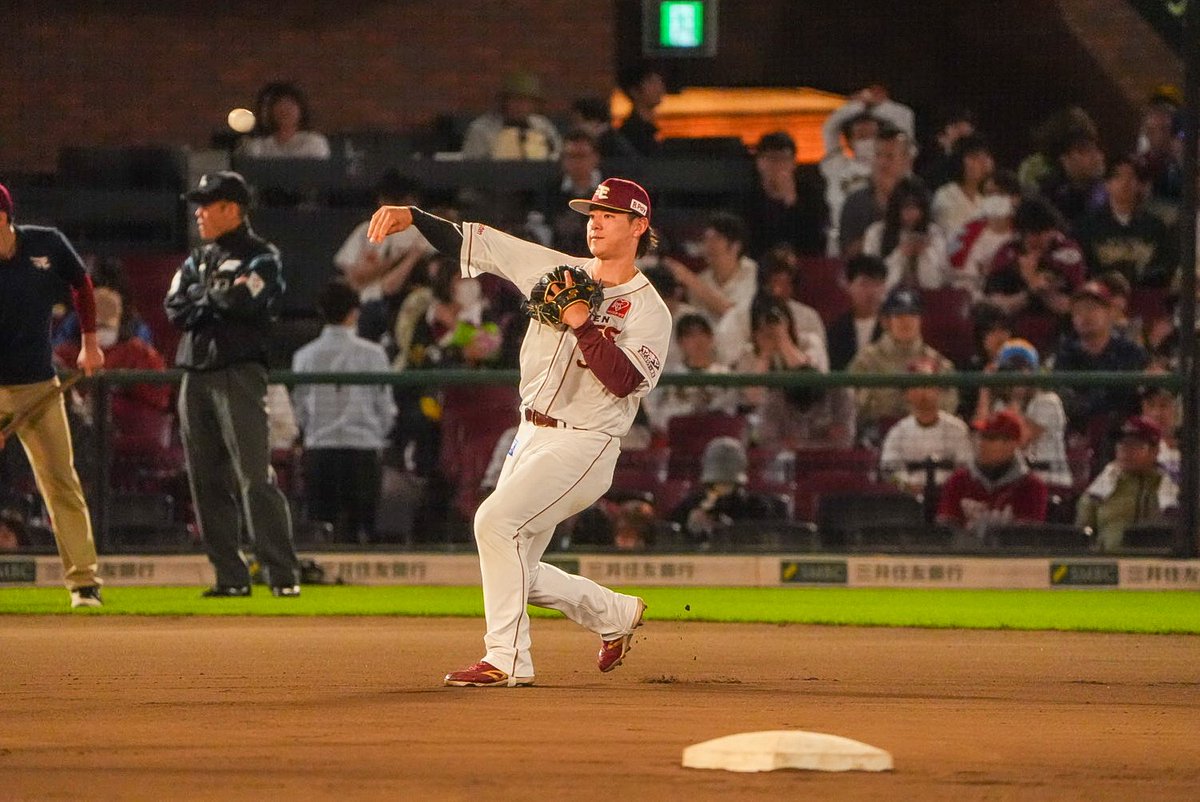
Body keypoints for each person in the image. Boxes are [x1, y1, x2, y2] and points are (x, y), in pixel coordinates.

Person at [367, 176, 670, 687]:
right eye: (591, 213)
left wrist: (581, 321)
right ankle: (612, 613)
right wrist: (416, 217)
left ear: (639, 226)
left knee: (493, 524)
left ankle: (506, 658)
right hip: (528, 433)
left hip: (586, 442)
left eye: (609, 215)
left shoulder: (649, 310)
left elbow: (623, 382)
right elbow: (474, 242)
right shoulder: (555, 269)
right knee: (515, 566)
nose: (594, 221)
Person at [165, 171, 301, 598]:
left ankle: (281, 575)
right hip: (195, 373)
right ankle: (230, 576)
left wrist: (205, 301)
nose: (199, 212)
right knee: (205, 480)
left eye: (207, 204)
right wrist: (216, 300)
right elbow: (174, 308)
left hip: (239, 371)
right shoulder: (198, 258)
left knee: (253, 475)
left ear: (232, 208)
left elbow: (245, 301)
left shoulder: (263, 256)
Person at [0, 181, 105, 608]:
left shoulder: (46, 243)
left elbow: (81, 285)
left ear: (4, 218)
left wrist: (90, 342)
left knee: (61, 481)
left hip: (38, 386)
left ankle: (84, 584)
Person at [292, 281, 397, 544]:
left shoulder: (304, 356)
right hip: (362, 450)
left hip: (320, 449)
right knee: (361, 532)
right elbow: (385, 407)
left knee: (321, 531)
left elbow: (300, 407)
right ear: (354, 313)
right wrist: (377, 435)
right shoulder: (374, 355)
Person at [847, 287, 958, 441]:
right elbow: (852, 403)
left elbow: (949, 405)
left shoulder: (938, 362)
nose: (906, 321)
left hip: (927, 435)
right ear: (886, 321)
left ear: (920, 320)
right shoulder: (867, 359)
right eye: (899, 315)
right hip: (877, 434)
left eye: (912, 315)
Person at [334, 170, 433, 341]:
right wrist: (395, 259)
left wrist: (410, 256)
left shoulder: (422, 232)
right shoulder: (366, 230)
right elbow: (354, 278)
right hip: (366, 304)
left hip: (410, 303)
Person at [972, 338, 1071, 488]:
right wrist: (985, 389)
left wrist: (1015, 397)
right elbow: (981, 441)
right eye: (1010, 369)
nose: (1017, 374)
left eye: (1022, 368)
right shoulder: (999, 405)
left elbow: (1019, 440)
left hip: (1051, 481)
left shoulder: (1048, 402)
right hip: (1013, 482)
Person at [936, 410, 1049, 537]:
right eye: (980, 436)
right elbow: (946, 532)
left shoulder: (1031, 487)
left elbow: (1026, 539)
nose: (981, 443)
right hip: (964, 554)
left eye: (990, 438)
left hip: (1009, 556)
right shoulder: (958, 480)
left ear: (1013, 443)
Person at [1076, 416, 1178, 552]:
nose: (1125, 450)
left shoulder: (1172, 486)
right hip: (1109, 565)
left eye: (1134, 445)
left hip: (1157, 565)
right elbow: (1080, 533)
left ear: (1155, 451)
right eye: (1121, 444)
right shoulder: (1102, 485)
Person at [1074, 155, 1176, 289]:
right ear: (1106, 184)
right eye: (1118, 177)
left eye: (1131, 177)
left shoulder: (1155, 227)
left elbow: (1164, 267)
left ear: (1139, 185)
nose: (1125, 182)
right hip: (1102, 297)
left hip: (1145, 297)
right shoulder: (1087, 227)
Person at [879, 356, 973, 496]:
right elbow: (889, 470)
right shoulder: (898, 431)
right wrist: (908, 486)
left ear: (938, 390)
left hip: (948, 496)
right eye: (916, 385)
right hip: (907, 500)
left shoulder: (957, 428)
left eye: (928, 385)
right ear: (907, 393)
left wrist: (944, 487)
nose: (923, 392)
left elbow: (966, 467)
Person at [670, 436, 787, 547]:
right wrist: (687, 530)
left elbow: (769, 543)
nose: (720, 488)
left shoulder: (757, 508)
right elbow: (667, 537)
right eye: (715, 483)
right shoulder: (691, 505)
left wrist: (731, 531)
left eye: (726, 483)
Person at [642, 314, 736, 437]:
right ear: (680, 342)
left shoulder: (725, 375)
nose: (698, 340)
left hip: (714, 435)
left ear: (711, 338)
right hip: (676, 438)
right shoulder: (669, 376)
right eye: (690, 335)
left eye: (702, 334)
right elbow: (653, 413)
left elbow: (730, 412)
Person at [661, 211, 758, 328]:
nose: (708, 246)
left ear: (735, 246)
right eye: (706, 240)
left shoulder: (754, 274)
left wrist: (689, 279)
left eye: (716, 240)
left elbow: (737, 317)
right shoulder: (701, 280)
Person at [837, 124, 916, 257]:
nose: (882, 163)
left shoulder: (919, 199)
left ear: (907, 161)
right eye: (878, 155)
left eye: (890, 156)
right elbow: (847, 253)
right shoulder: (855, 202)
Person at [745, 131, 827, 258]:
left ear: (793, 163)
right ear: (759, 163)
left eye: (783, 159)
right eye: (771, 159)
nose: (777, 165)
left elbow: (815, 241)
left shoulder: (811, 194)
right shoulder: (748, 198)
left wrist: (792, 202)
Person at [862, 176, 950, 292]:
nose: (911, 214)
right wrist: (900, 253)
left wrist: (926, 253)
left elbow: (933, 284)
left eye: (916, 208)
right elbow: (874, 280)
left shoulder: (934, 233)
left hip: (925, 300)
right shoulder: (876, 232)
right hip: (885, 300)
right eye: (906, 207)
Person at [461, 70, 562, 161]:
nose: (521, 106)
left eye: (526, 101)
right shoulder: (481, 130)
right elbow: (471, 167)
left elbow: (558, 156)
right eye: (515, 100)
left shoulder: (543, 126)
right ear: (504, 102)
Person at [237, 81, 331, 159]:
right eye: (279, 104)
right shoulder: (257, 145)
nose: (285, 110)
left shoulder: (314, 142)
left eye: (291, 105)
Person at [827, 254, 887, 371]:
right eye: (864, 284)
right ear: (849, 286)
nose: (871, 291)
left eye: (877, 284)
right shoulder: (836, 329)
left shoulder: (893, 327)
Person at [931, 134, 994, 242]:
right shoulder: (946, 195)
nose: (981, 163)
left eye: (983, 158)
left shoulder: (982, 199)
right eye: (974, 157)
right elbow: (953, 241)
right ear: (959, 161)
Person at [567, 96, 639, 159]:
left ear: (596, 122)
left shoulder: (612, 148)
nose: (575, 128)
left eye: (578, 122)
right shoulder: (614, 141)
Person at [617, 65, 666, 156]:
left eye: (660, 82)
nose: (660, 88)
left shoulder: (650, 130)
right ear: (634, 91)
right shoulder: (631, 133)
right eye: (652, 83)